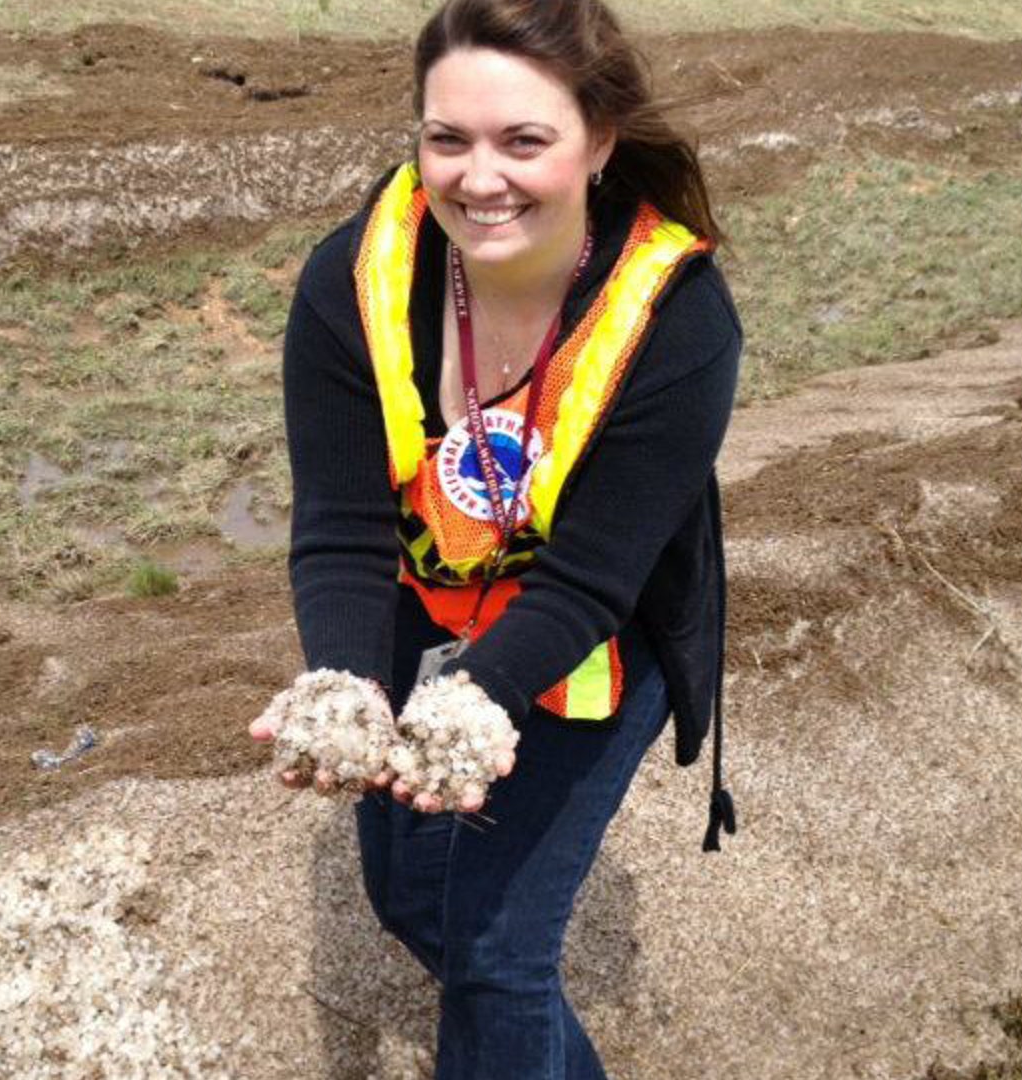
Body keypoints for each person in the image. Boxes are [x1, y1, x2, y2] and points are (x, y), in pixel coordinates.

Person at [248, 0, 741, 1074]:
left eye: (525, 140)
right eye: (448, 139)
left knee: (494, 947)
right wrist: (341, 678)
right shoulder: (352, 283)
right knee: (407, 898)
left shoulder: (681, 320)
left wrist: (480, 694)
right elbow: (338, 529)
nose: (481, 178)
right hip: (426, 606)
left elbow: (591, 579)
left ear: (599, 141)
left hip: (593, 636)